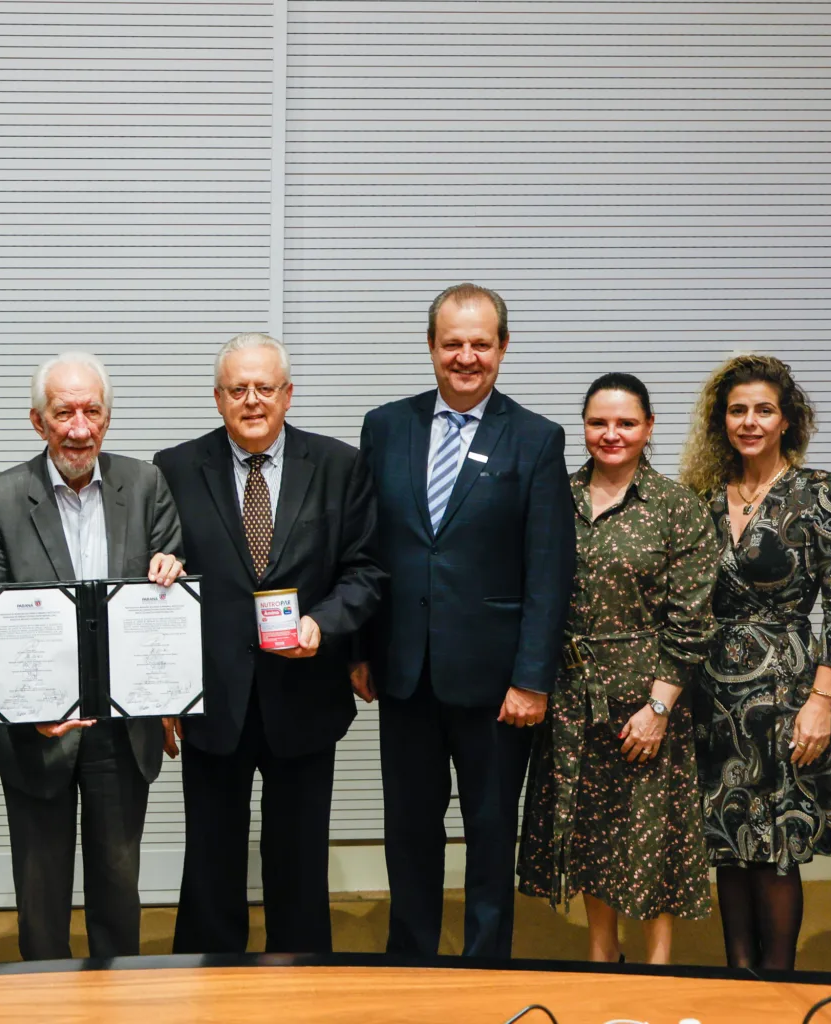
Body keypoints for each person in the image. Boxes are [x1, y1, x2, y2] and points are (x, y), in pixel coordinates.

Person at [354, 283, 575, 959]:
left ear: (503, 348)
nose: (466, 357)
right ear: (431, 346)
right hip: (405, 673)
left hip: (497, 685)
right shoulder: (385, 426)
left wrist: (532, 679)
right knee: (408, 831)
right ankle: (410, 959)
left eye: (481, 343)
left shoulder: (536, 439)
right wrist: (359, 650)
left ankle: (486, 968)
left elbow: (549, 569)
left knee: (489, 832)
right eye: (453, 343)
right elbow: (364, 548)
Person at [153, 333, 383, 954]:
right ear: (217, 398)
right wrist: (162, 693)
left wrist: (323, 623)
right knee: (210, 857)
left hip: (304, 692)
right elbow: (158, 580)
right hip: (211, 698)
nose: (252, 400)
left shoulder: (338, 465)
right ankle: (209, 976)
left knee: (300, 858)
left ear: (288, 393)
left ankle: (301, 978)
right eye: (238, 389)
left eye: (264, 387)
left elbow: (365, 571)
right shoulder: (174, 468)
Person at [0, 352, 184, 961]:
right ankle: (46, 998)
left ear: (108, 418)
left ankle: (119, 996)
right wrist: (26, 706)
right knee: (41, 897)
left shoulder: (146, 485)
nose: (80, 428)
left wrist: (172, 570)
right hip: (37, 732)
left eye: (92, 411)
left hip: (123, 728)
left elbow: (171, 589)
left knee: (118, 888)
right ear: (38, 421)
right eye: (64, 413)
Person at [517, 373, 719, 964]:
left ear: (649, 428)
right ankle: (602, 953)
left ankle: (657, 962)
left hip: (647, 697)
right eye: (598, 423)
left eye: (626, 423)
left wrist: (658, 707)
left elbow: (692, 618)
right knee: (587, 829)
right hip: (571, 694)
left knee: (649, 831)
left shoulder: (676, 507)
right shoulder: (555, 496)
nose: (612, 434)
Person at [681, 354, 831, 971]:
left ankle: (778, 993)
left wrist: (822, 703)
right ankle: (737, 986)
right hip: (712, 694)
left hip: (788, 694)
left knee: (776, 847)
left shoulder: (818, 493)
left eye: (764, 410)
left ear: (786, 420)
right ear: (721, 420)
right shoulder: (703, 497)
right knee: (728, 839)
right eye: (737, 410)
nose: (749, 421)